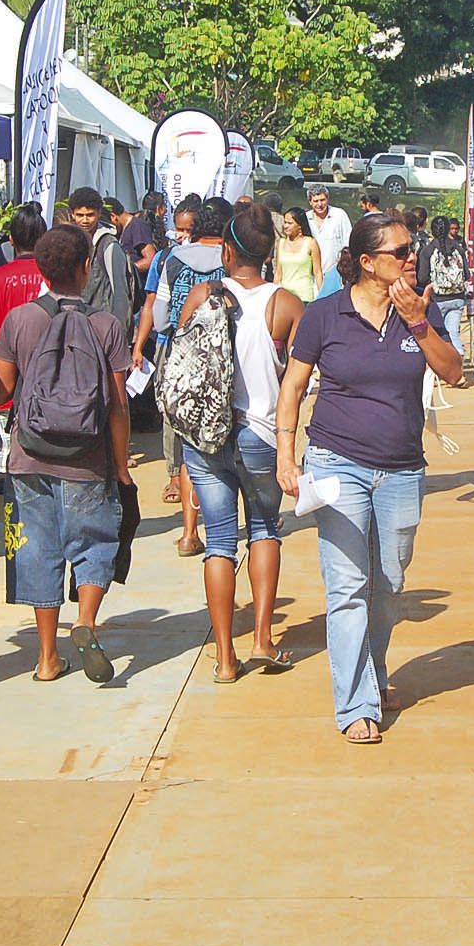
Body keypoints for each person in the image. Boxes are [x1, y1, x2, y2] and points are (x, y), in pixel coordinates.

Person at [275, 213, 462, 744]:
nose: (411, 256)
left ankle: (373, 676)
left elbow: (452, 371)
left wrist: (420, 322)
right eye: (399, 251)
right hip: (337, 464)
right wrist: (286, 456)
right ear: (366, 262)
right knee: (348, 587)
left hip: (402, 468)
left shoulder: (420, 310)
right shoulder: (324, 315)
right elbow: (293, 387)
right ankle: (355, 703)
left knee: (389, 584)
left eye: (411, 247)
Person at [0, 225, 135, 684]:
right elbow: (118, 406)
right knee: (94, 543)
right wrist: (122, 466)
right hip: (88, 460)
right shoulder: (106, 326)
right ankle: (85, 620)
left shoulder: (20, 320)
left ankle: (47, 658)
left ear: (42, 270)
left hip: (29, 458)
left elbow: (0, 391)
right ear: (86, 267)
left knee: (38, 550)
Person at [176, 204, 304, 682]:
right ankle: (263, 639)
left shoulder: (202, 295)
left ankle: (225, 657)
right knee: (265, 531)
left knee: (219, 543)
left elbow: (181, 360)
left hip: (205, 437)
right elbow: (300, 380)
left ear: (226, 251)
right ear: (269, 252)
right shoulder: (285, 305)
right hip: (261, 435)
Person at [132, 197, 230, 556]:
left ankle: (189, 531)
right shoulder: (232, 260)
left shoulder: (173, 260)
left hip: (180, 354)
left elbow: (160, 317)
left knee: (184, 434)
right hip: (224, 357)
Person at [0, 203, 47, 419]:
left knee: (5, 440)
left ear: (11, 239)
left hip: (5, 388)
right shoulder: (55, 275)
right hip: (51, 386)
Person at [69, 186, 136, 342]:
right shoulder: (69, 242)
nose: (85, 220)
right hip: (75, 328)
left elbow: (120, 293)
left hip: (102, 332)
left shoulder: (109, 246)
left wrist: (118, 335)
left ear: (99, 213)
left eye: (90, 215)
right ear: (72, 214)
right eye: (80, 215)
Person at [417, 215, 472, 349]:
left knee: (436, 336)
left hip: (437, 299)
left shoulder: (427, 251)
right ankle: (458, 355)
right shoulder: (458, 248)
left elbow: (422, 278)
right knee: (453, 333)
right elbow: (466, 275)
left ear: (432, 230)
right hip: (458, 298)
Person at [275, 207, 323, 303]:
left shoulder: (311, 243)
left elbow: (317, 272)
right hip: (284, 296)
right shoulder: (281, 243)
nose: (285, 226)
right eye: (285, 222)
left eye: (290, 223)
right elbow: (278, 273)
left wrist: (322, 297)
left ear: (299, 225)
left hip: (304, 297)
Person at [305, 185, 352, 276]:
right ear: (310, 202)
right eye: (315, 201)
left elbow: (348, 241)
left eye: (322, 200)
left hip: (336, 273)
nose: (319, 204)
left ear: (327, 199)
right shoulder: (306, 218)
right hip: (311, 275)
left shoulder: (339, 215)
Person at [112, 196, 158, 286]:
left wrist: (128, 270)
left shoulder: (137, 226)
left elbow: (150, 259)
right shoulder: (122, 229)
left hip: (139, 286)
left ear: (113, 217)